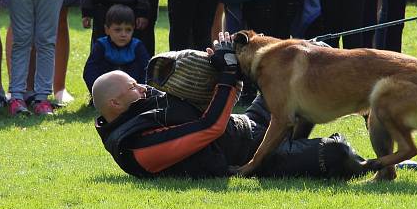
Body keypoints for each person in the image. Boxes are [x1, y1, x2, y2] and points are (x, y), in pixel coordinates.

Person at [93, 33, 385, 179]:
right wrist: (228, 76)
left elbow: (200, 104)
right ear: (115, 103)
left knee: (318, 47)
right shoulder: (137, 149)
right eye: (133, 86)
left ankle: (382, 144)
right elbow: (209, 128)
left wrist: (226, 56)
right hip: (253, 157)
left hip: (251, 124)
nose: (142, 87)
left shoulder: (139, 108)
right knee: (338, 153)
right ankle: (377, 165)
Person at [83, 4, 150, 94]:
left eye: (128, 30)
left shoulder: (137, 46)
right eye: (118, 30)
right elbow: (89, 71)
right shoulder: (101, 46)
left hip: (134, 92)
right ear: (107, 29)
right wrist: (97, 92)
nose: (123, 34)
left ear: (133, 30)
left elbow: (147, 71)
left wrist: (140, 91)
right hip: (105, 92)